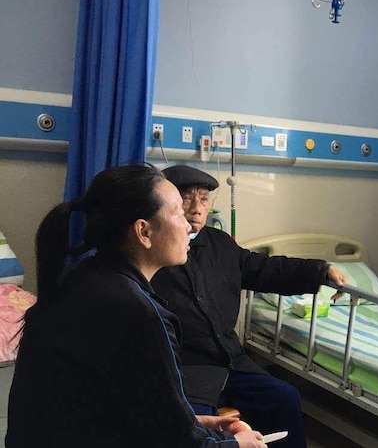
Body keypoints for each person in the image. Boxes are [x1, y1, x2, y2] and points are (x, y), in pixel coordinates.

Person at [6, 164, 266, 448]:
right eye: (178, 211)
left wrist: (192, 421)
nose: (189, 224)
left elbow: (113, 405)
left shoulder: (82, 280)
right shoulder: (138, 312)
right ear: (143, 231)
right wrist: (238, 445)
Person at [150, 165, 346, 448]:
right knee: (196, 428)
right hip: (186, 369)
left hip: (231, 361)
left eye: (203, 199)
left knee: (284, 396)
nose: (195, 208)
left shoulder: (219, 244)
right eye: (185, 198)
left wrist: (320, 271)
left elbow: (262, 267)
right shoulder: (154, 248)